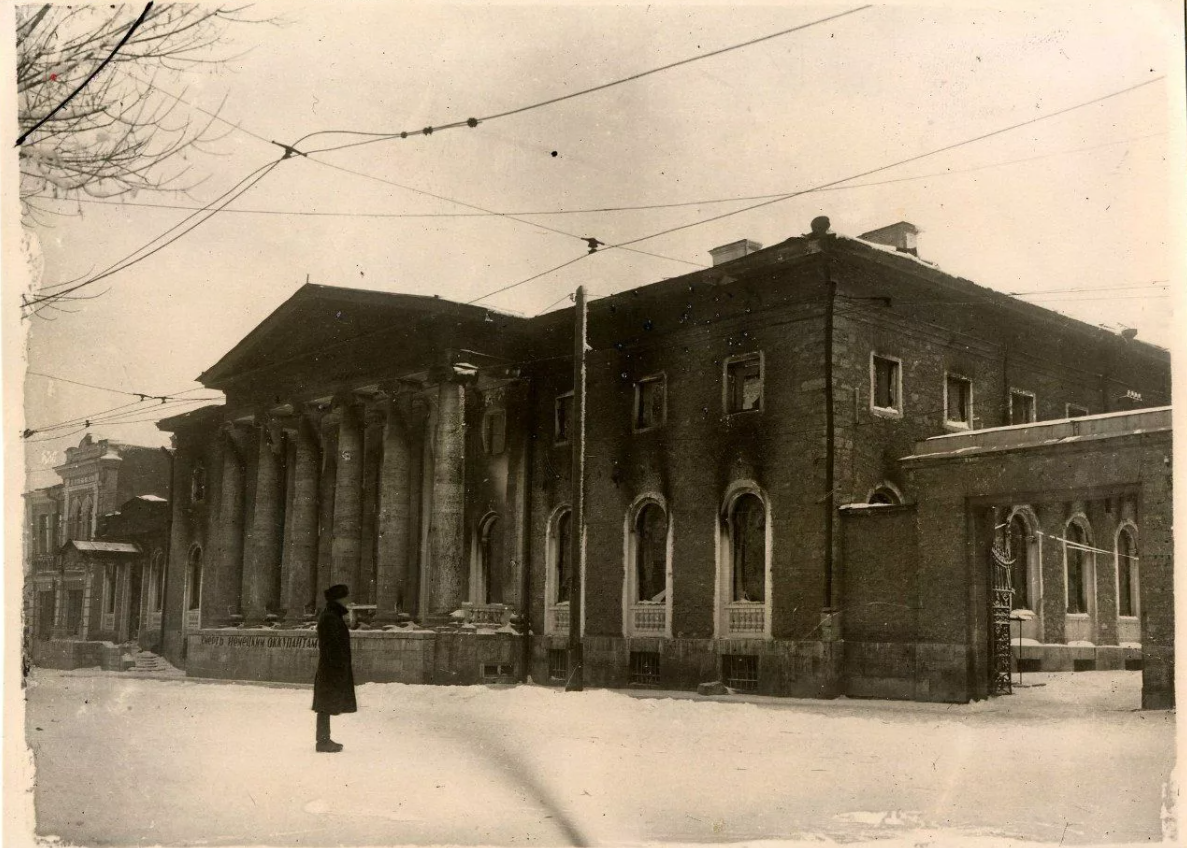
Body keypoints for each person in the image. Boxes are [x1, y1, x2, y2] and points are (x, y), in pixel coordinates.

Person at [313, 584, 356, 753]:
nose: (350, 600)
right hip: (331, 668)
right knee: (324, 705)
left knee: (326, 704)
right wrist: (339, 667)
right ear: (340, 599)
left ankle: (324, 739)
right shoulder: (331, 618)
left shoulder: (331, 616)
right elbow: (333, 646)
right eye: (347, 597)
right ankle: (322, 741)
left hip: (331, 667)